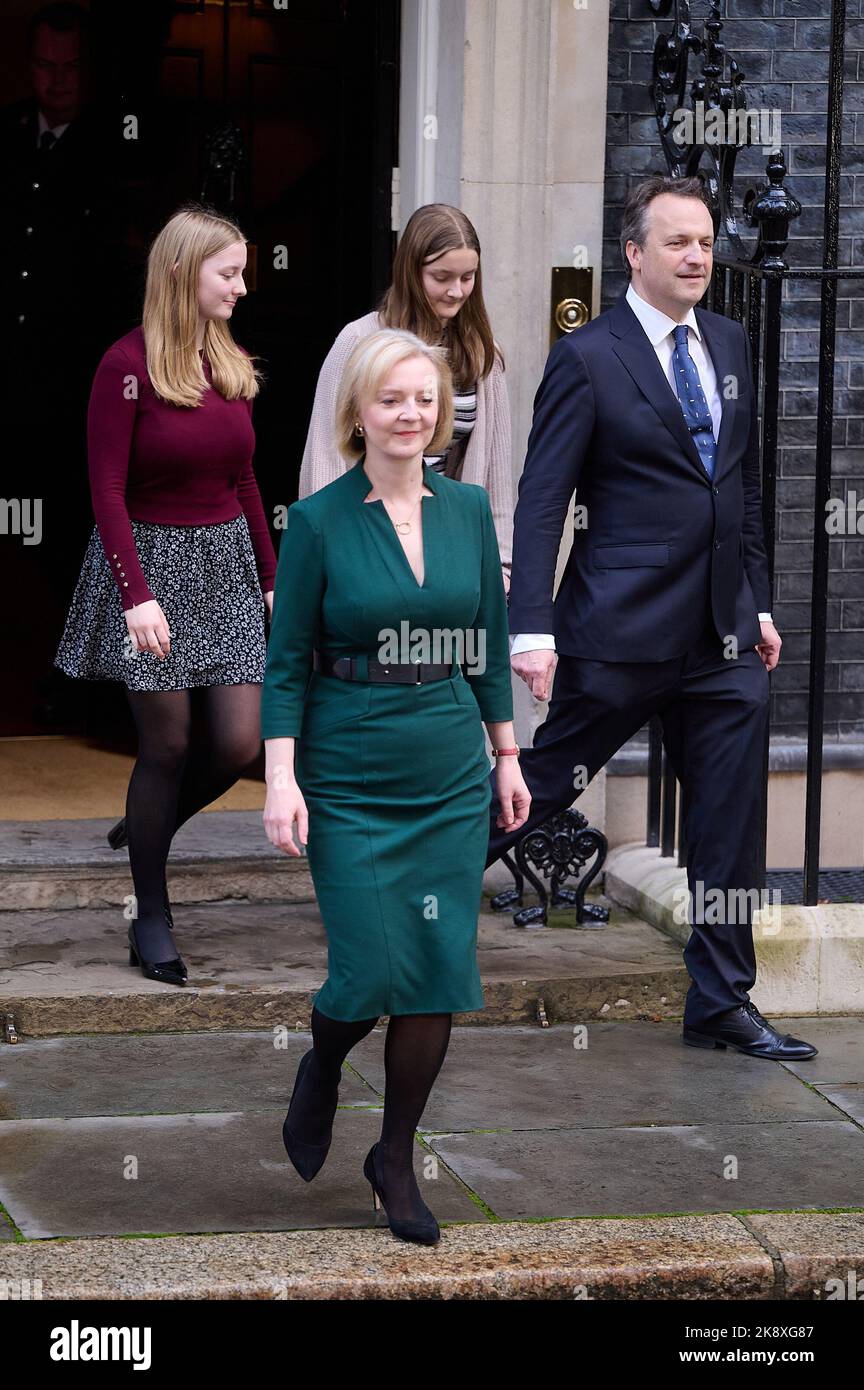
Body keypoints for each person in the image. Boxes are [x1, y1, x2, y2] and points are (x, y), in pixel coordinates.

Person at [486, 174, 817, 1062]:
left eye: (705, 241)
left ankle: (721, 1000)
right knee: (540, 783)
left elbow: (738, 488)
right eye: (676, 242)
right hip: (620, 630)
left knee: (728, 828)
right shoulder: (588, 356)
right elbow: (544, 499)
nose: (697, 257)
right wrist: (533, 625)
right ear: (633, 254)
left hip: (722, 639)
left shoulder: (732, 342)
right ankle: (405, 903)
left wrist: (757, 602)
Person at [261, 328, 530, 1244]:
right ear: (359, 414)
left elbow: (486, 649)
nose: (410, 415)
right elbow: (286, 661)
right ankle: (325, 1060)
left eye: (424, 399)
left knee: (435, 973)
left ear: (442, 413)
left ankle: (395, 1157)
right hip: (348, 769)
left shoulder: (467, 511)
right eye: (391, 400)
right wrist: (280, 779)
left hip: (449, 767)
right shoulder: (321, 521)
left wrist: (507, 757)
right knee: (368, 969)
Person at [54, 204, 277, 986]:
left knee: (240, 743)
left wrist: (274, 579)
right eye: (229, 273)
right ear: (184, 273)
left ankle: (148, 828)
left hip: (224, 567)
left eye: (245, 272)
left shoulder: (232, 361)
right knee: (170, 744)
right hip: (147, 563)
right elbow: (105, 491)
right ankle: (151, 913)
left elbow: (246, 479)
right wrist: (135, 597)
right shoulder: (124, 364)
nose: (242, 287)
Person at [298, 203, 514, 595]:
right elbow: (325, 461)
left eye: (468, 277)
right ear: (411, 273)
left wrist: (499, 564)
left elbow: (496, 477)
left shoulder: (483, 353)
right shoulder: (356, 342)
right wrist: (325, 560)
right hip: (365, 540)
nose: (456, 290)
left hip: (451, 545)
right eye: (441, 277)